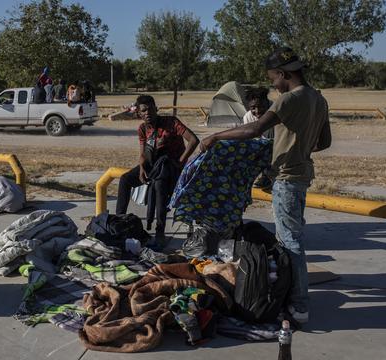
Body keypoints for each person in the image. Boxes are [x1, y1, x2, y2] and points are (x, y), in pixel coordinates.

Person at [198, 47, 332, 326]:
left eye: (273, 78)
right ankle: (296, 298)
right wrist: (297, 147)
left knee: (290, 242)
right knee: (291, 238)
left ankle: (299, 306)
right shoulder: (318, 98)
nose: (273, 84)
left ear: (283, 74)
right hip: (302, 174)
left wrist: (215, 137)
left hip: (286, 178)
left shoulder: (288, 100)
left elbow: (254, 129)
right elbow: (324, 142)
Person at [116, 95, 199, 247]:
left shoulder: (171, 122)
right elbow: (143, 154)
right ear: (139, 114)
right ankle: (118, 222)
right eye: (143, 110)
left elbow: (193, 140)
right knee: (125, 180)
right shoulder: (142, 129)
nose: (147, 113)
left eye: (150, 109)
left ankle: (160, 231)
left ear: (156, 109)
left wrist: (180, 161)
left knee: (159, 184)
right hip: (153, 165)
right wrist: (141, 168)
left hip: (172, 166)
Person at [243, 87, 274, 188]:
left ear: (267, 102)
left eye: (261, 106)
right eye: (253, 108)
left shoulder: (276, 110)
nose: (257, 111)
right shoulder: (248, 117)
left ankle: (269, 175)